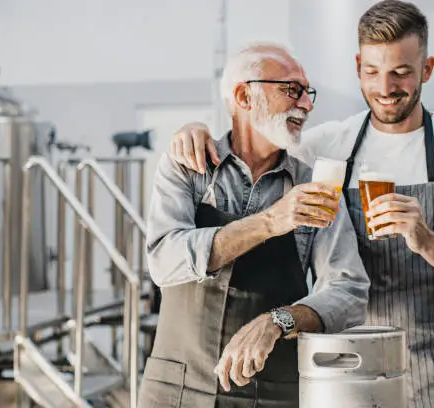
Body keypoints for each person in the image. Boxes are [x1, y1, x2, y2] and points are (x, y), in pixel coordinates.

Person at [167, 1, 434, 407]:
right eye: (372, 72)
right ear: (357, 67)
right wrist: (193, 130)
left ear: (427, 69)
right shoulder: (324, 148)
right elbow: (253, 139)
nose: (386, 88)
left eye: (401, 73)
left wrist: (427, 241)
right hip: (347, 380)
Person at [139, 43, 370, 408]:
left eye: (308, 93)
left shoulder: (314, 187)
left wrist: (280, 320)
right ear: (244, 95)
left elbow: (349, 291)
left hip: (271, 394)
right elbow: (163, 262)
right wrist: (271, 221)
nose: (306, 105)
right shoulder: (187, 165)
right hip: (174, 391)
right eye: (291, 90)